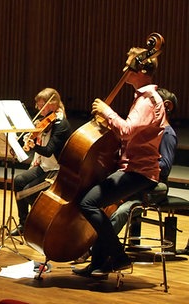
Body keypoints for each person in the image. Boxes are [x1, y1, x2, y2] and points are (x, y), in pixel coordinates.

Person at [73, 47, 166, 278]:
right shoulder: (143, 98)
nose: (125, 70)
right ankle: (98, 263)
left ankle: (118, 256)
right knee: (95, 202)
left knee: (88, 203)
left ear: (142, 69)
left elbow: (126, 131)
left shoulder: (148, 100)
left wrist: (107, 112)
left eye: (129, 65)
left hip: (140, 172)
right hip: (131, 167)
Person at [74, 88, 177, 264]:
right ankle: (98, 258)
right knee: (99, 203)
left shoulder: (167, 133)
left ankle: (100, 253)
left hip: (152, 185)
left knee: (119, 211)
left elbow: (165, 167)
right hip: (136, 177)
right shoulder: (147, 130)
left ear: (165, 106)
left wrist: (142, 162)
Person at [10, 88, 72, 236]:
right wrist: (31, 140)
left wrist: (34, 146)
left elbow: (49, 150)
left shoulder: (61, 124)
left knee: (28, 192)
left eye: (41, 105)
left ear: (53, 103)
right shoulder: (46, 122)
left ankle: (41, 223)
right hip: (44, 166)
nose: (38, 108)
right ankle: (23, 224)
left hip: (56, 170)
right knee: (19, 181)